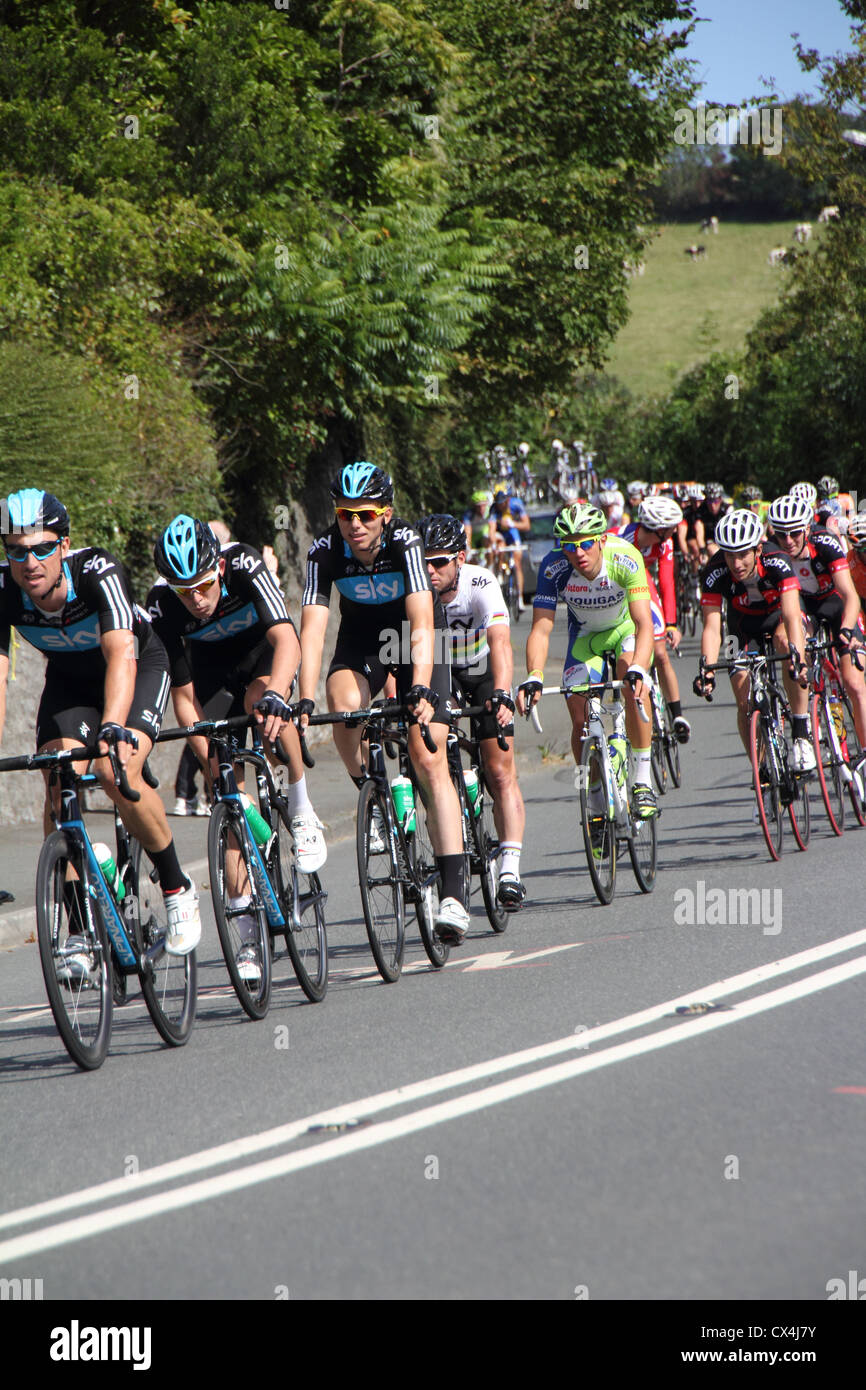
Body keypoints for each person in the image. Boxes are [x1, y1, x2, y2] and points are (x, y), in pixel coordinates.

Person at [0, 488, 201, 977]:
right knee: (58, 786)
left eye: (43, 547)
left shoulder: (98, 572)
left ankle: (176, 887)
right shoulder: (4, 588)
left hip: (135, 666)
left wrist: (113, 727)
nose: (30, 561)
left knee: (119, 771)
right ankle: (76, 933)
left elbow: (121, 656)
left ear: (64, 545)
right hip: (70, 682)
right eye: (16, 550)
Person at [147, 516, 325, 984]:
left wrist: (279, 694)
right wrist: (212, 763)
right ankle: (248, 938)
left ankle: (302, 808)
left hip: (263, 658)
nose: (197, 599)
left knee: (262, 704)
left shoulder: (244, 563)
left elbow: (287, 638)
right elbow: (185, 703)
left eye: (204, 585)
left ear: (218, 568)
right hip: (213, 676)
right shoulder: (165, 605)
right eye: (185, 591)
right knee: (228, 804)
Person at [298, 462, 470, 943]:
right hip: (362, 643)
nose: (354, 523)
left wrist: (418, 687)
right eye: (345, 513)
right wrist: (305, 697)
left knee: (426, 752)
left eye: (366, 514)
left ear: (386, 514)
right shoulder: (323, 550)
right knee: (343, 702)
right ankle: (372, 799)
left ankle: (454, 892)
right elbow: (313, 629)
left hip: (414, 640)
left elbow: (420, 618)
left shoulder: (405, 543)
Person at [517, 502, 658, 821]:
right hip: (585, 639)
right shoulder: (554, 567)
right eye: (569, 545)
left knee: (633, 686)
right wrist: (534, 674)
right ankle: (592, 794)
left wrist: (639, 667)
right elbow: (541, 627)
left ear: (602, 540)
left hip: (624, 631)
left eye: (585, 542)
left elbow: (643, 624)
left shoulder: (624, 556)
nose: (578, 551)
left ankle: (642, 781)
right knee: (579, 716)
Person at [416, 514, 527, 909]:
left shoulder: (481, 582)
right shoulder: (417, 590)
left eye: (440, 561)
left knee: (499, 768)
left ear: (460, 558)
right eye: (424, 561)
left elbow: (500, 641)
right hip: (442, 672)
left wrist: (500, 691)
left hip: (482, 671)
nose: (430, 570)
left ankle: (510, 868)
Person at [693, 508, 813, 776]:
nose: (736, 563)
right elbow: (712, 627)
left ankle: (801, 733)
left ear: (758, 549)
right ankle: (761, 771)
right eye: (729, 555)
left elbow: (793, 614)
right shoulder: (714, 571)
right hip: (741, 627)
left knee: (786, 643)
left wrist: (799, 657)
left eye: (743, 554)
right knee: (743, 697)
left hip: (779, 617)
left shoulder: (777, 559)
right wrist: (707, 670)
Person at [766, 493, 866, 758]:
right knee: (790, 647)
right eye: (781, 533)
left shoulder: (825, 543)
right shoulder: (772, 554)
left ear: (808, 529)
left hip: (837, 606)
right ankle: (802, 731)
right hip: (804, 610)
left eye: (795, 533)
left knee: (854, 683)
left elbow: (850, 595)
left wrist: (846, 629)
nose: (788, 541)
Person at [618, 495, 690, 743]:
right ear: (660, 529)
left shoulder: (664, 544)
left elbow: (667, 583)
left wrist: (671, 623)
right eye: (672, 527)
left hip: (642, 585)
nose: (675, 531)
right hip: (619, 588)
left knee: (660, 652)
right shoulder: (622, 539)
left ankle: (677, 714)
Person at [488, 487, 530, 611]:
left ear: (508, 499)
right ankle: (500, 571)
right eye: (498, 503)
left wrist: (512, 524)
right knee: (498, 546)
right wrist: (493, 544)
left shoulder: (517, 504)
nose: (501, 505)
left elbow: (527, 525)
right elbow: (491, 530)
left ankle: (520, 597)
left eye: (503, 502)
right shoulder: (493, 509)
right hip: (501, 535)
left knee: (517, 563)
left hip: (514, 533)